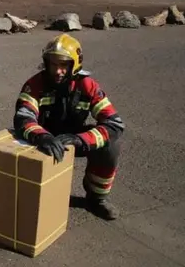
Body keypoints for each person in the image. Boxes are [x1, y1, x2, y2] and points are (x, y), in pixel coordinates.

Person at [13, 33, 125, 220]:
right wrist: (42, 136)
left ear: (74, 65)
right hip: (42, 140)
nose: (58, 71)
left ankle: (96, 199)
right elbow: (23, 118)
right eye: (54, 64)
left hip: (74, 139)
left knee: (111, 146)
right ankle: (28, 195)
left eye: (63, 65)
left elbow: (114, 124)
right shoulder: (35, 84)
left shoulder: (87, 86)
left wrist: (81, 140)